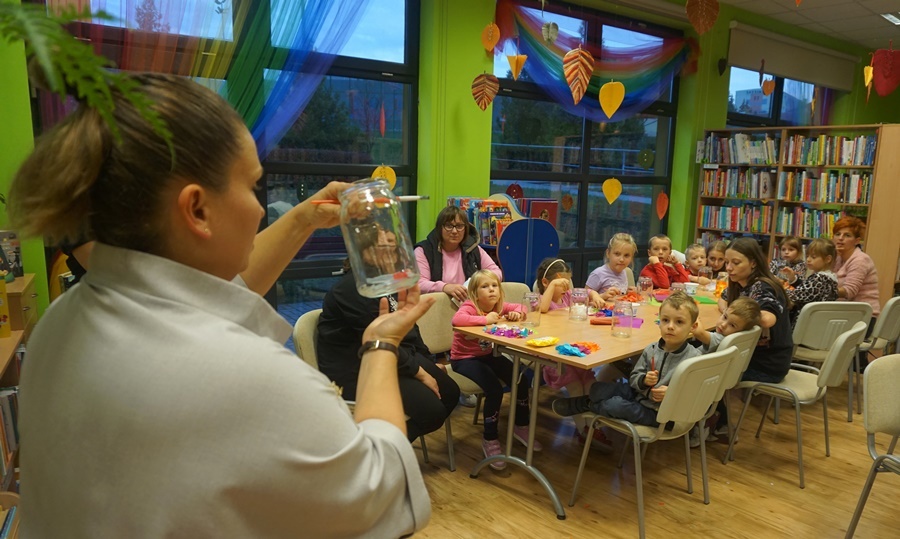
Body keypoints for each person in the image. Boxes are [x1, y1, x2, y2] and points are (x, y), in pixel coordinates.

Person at [11, 74, 433, 538]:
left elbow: (213, 295)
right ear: (196, 210)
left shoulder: (59, 326)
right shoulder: (247, 376)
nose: (260, 208)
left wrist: (304, 219)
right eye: (253, 186)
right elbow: (385, 495)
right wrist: (379, 345)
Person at [317, 240, 460, 442]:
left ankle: (384, 445)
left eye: (393, 246)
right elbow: (379, 341)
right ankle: (371, 451)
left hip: (395, 356)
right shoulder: (352, 288)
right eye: (382, 246)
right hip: (358, 368)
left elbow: (410, 328)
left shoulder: (387, 283)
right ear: (362, 252)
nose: (391, 253)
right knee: (432, 411)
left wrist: (428, 360)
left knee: (451, 393)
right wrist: (420, 373)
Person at [551, 291, 702, 428]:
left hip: (661, 415)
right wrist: (643, 380)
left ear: (693, 327)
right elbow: (634, 378)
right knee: (597, 389)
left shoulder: (693, 359)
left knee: (614, 405)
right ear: (659, 322)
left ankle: (588, 405)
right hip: (640, 395)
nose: (670, 327)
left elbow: (696, 394)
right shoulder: (651, 349)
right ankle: (589, 402)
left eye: (679, 322)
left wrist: (672, 392)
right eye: (665, 320)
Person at [450, 270, 542, 469]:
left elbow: (520, 306)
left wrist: (518, 312)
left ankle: (521, 425)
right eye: (485, 287)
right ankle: (490, 438)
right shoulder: (470, 307)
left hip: (488, 355)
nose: (491, 290)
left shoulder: (498, 307)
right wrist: (486, 320)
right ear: (474, 293)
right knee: (494, 390)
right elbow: (457, 320)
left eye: (494, 286)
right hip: (464, 359)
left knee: (521, 380)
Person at [535, 258, 611, 451]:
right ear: (546, 283)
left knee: (590, 384)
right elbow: (543, 309)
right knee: (576, 387)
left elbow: (586, 292)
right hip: (554, 358)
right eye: (562, 284)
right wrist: (551, 286)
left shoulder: (568, 296)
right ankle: (584, 430)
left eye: (567, 282)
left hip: (575, 353)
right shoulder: (540, 301)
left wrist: (595, 294)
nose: (566, 287)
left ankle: (593, 427)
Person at [719, 238, 793, 384]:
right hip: (751, 356)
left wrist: (733, 316)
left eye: (736, 262)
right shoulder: (741, 283)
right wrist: (728, 314)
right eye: (726, 262)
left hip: (767, 366)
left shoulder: (762, 286)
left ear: (753, 263)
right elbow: (722, 298)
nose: (728, 268)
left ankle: (718, 406)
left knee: (700, 361)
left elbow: (767, 319)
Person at [414, 205, 502, 304]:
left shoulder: (473, 248)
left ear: (465, 229)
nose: (455, 231)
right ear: (439, 228)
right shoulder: (423, 250)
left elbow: (496, 272)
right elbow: (419, 284)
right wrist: (445, 287)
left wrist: (477, 282)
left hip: (469, 308)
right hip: (435, 308)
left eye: (460, 226)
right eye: (449, 226)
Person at [784, 238, 839, 328]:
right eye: (807, 256)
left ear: (828, 259)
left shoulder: (819, 279)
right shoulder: (830, 278)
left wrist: (778, 288)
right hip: (817, 325)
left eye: (813, 257)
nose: (808, 260)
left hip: (805, 325)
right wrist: (793, 279)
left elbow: (796, 295)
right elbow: (807, 290)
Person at [693, 296, 761, 353]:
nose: (723, 325)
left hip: (692, 365)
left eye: (732, 325)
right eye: (725, 317)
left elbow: (699, 333)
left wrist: (692, 314)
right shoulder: (735, 340)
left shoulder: (721, 339)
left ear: (741, 331)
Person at [585, 233, 639, 299]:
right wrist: (603, 296)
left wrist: (628, 293)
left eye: (626, 255)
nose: (622, 259)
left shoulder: (624, 272)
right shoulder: (598, 274)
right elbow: (584, 299)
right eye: (617, 254)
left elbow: (619, 297)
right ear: (608, 253)